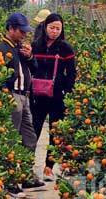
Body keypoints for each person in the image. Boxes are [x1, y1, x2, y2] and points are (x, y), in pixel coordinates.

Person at [0, 12, 43, 189]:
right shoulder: (3, 49)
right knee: (11, 139)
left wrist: (30, 56)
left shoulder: (20, 47)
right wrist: (5, 96)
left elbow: (35, 68)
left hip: (24, 96)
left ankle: (25, 176)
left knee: (29, 137)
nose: (24, 34)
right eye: (21, 31)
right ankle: (8, 179)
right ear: (10, 29)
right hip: (12, 96)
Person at [29, 13, 76, 182]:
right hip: (37, 95)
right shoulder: (36, 46)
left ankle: (48, 168)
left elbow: (71, 73)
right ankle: (29, 165)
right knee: (34, 129)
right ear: (45, 27)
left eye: (58, 28)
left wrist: (66, 91)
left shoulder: (65, 48)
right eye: (52, 27)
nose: (54, 31)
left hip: (57, 97)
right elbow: (30, 67)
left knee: (55, 132)